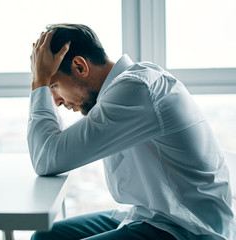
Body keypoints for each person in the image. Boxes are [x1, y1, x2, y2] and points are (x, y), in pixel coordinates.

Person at [27, 23, 235, 240]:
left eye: (53, 86)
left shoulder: (135, 91)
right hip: (151, 214)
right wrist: (43, 82)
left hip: (188, 228)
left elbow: (47, 159)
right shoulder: (127, 86)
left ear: (80, 66)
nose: (57, 102)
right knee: (45, 237)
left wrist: (38, 82)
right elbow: (50, 153)